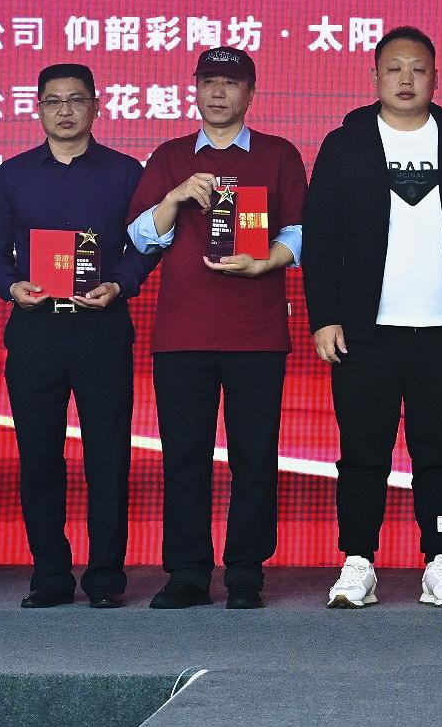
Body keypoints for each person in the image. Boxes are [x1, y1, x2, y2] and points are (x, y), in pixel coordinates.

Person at [302, 27, 442, 611]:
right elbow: (321, 238)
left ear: (435, 78)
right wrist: (325, 317)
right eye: (394, 69)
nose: (406, 79)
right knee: (362, 452)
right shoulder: (346, 144)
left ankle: (441, 558)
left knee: (438, 452)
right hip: (365, 331)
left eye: (418, 69)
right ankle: (358, 561)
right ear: (375, 77)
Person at [125, 46, 307, 610]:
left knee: (255, 456)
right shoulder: (170, 157)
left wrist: (265, 261)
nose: (219, 93)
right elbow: (139, 237)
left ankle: (246, 571)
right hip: (182, 334)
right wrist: (176, 196)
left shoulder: (278, 155)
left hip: (257, 333)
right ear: (195, 90)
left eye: (231, 83)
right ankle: (187, 572)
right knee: (184, 458)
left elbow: (301, 233)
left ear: (251, 92)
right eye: (209, 82)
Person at [0, 63, 148, 610]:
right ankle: (50, 574)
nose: (65, 110)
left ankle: (105, 576)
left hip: (102, 328)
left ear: (97, 105)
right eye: (53, 101)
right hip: (36, 330)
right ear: (38, 109)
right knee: (39, 459)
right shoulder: (13, 175)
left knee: (108, 458)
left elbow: (146, 245)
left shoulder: (126, 173)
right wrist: (11, 286)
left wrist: (118, 284)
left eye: (76, 99)